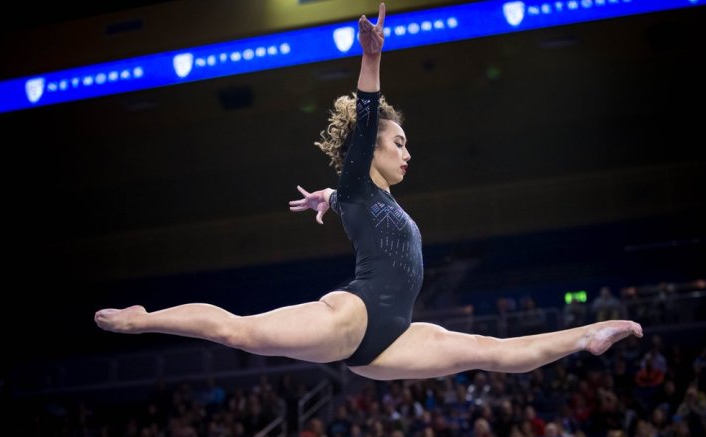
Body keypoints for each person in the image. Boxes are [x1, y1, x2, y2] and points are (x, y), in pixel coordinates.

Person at [94, 3, 642, 381]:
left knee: (488, 353)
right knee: (241, 333)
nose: (407, 153)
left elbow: (355, 202)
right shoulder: (360, 174)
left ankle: (586, 335)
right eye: (398, 143)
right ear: (371, 148)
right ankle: (146, 317)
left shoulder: (363, 193)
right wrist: (373, 58)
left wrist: (328, 199)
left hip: (392, 338)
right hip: (352, 317)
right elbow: (367, 116)